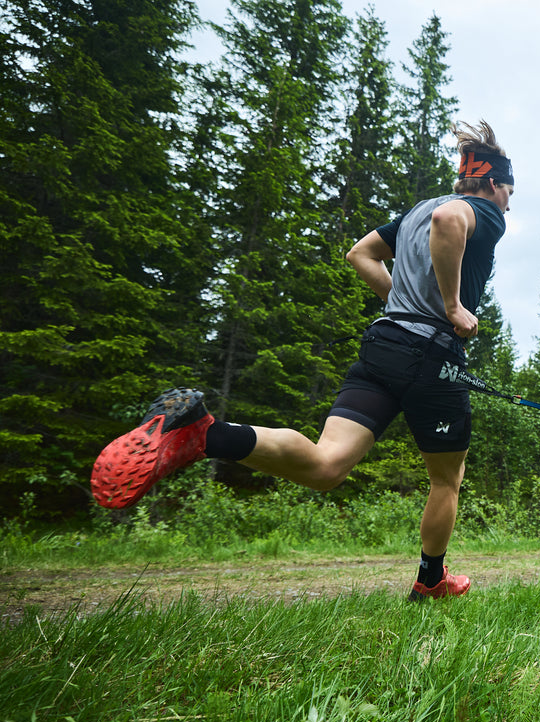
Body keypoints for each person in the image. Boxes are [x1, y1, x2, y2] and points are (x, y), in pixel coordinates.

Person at [91, 120, 514, 601]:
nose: (508, 204)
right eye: (509, 194)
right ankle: (430, 580)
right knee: (447, 478)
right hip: (433, 356)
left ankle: (204, 434)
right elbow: (450, 223)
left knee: (325, 466)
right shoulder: (480, 211)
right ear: (495, 184)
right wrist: (452, 307)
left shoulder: (418, 211)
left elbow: (360, 254)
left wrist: (406, 305)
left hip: (383, 345)